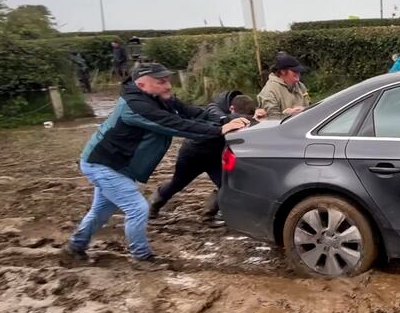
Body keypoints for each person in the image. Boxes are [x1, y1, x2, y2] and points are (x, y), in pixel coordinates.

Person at [63, 63, 249, 265]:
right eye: (161, 82)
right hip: (103, 164)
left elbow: (193, 112)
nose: (168, 85)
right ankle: (142, 257)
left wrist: (226, 119)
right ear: (142, 84)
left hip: (118, 165)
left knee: (101, 211)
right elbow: (174, 125)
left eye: (168, 80)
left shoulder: (158, 97)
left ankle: (75, 246)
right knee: (137, 208)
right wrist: (219, 130)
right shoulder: (136, 106)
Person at [149, 92, 257, 221]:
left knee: (226, 185)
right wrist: (240, 119)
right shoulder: (214, 109)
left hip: (215, 156)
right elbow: (217, 115)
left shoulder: (235, 110)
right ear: (232, 109)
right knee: (177, 183)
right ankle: (151, 206)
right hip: (193, 155)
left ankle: (209, 213)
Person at [258, 53, 310, 118]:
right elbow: (272, 120)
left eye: (299, 71)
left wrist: (304, 110)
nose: (298, 75)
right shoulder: (269, 91)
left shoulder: (300, 86)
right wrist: (288, 115)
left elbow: (309, 106)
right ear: (283, 71)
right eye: (295, 71)